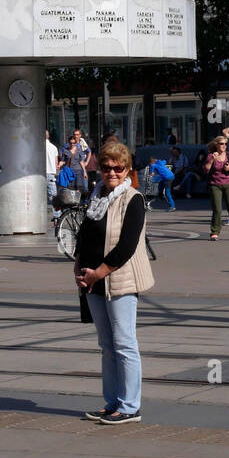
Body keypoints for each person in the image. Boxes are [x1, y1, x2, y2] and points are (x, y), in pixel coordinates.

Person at [74, 140, 153, 425]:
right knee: (107, 345)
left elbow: (127, 246)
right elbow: (84, 237)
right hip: (93, 281)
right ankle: (111, 403)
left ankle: (130, 406)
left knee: (124, 344)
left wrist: (100, 271)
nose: (111, 173)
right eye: (106, 167)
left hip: (119, 280)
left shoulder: (133, 199)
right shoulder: (96, 198)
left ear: (127, 170)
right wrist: (79, 267)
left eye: (118, 168)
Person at [202, 137, 229, 240]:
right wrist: (212, 160)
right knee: (217, 209)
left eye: (225, 144)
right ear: (216, 145)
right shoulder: (211, 156)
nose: (224, 146)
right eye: (221, 144)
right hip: (215, 185)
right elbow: (205, 169)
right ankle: (215, 232)